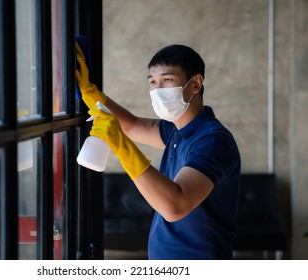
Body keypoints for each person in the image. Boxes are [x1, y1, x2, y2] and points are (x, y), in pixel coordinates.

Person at [76, 43, 241, 260]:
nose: (158, 89)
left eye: (167, 80)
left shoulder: (212, 141)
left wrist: (122, 147)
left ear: (196, 84)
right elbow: (131, 125)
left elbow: (175, 206)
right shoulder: (175, 130)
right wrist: (91, 92)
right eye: (153, 82)